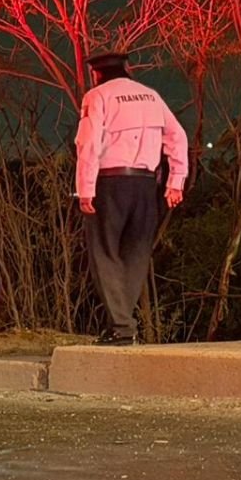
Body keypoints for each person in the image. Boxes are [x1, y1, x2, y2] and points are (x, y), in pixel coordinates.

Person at [75, 52, 188, 346]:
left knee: (105, 253)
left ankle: (122, 327)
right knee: (136, 254)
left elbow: (88, 144)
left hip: (110, 182)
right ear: (127, 69)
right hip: (146, 185)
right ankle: (123, 325)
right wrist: (176, 182)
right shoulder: (151, 96)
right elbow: (178, 137)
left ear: (96, 74)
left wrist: (85, 189)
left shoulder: (97, 96)